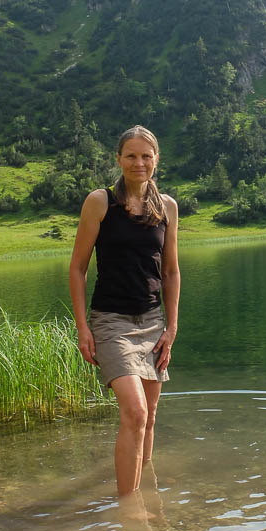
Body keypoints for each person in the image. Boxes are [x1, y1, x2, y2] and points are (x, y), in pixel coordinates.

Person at [69, 125, 180, 497]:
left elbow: (170, 271)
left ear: (156, 160)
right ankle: (127, 508)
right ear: (118, 159)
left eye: (146, 156)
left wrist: (172, 327)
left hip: (152, 323)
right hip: (111, 321)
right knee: (135, 413)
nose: (139, 162)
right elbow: (78, 268)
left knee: (149, 419)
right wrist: (83, 327)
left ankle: (145, 499)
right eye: (131, 155)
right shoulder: (101, 202)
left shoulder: (167, 207)